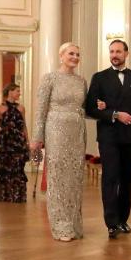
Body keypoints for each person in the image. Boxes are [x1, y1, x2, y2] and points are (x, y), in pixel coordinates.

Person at [85, 39, 131, 239]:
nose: (114, 54)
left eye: (118, 51)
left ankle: (123, 220)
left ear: (126, 53)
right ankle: (111, 223)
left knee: (126, 179)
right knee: (110, 178)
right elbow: (90, 108)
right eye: (112, 51)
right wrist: (114, 114)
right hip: (109, 137)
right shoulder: (99, 77)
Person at [30, 43, 88, 242]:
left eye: (78, 54)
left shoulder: (81, 81)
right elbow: (40, 110)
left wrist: (101, 106)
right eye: (71, 53)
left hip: (77, 132)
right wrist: (37, 137)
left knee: (75, 177)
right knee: (58, 178)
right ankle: (61, 226)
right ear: (61, 55)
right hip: (55, 131)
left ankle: (73, 224)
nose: (75, 57)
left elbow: (85, 108)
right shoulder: (50, 79)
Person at [0, 83, 29, 203]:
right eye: (17, 91)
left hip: (18, 142)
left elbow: (24, 126)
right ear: (10, 92)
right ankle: (3, 195)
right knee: (2, 168)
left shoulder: (21, 108)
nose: (19, 93)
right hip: (4, 142)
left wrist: (27, 141)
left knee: (18, 168)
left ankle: (17, 195)